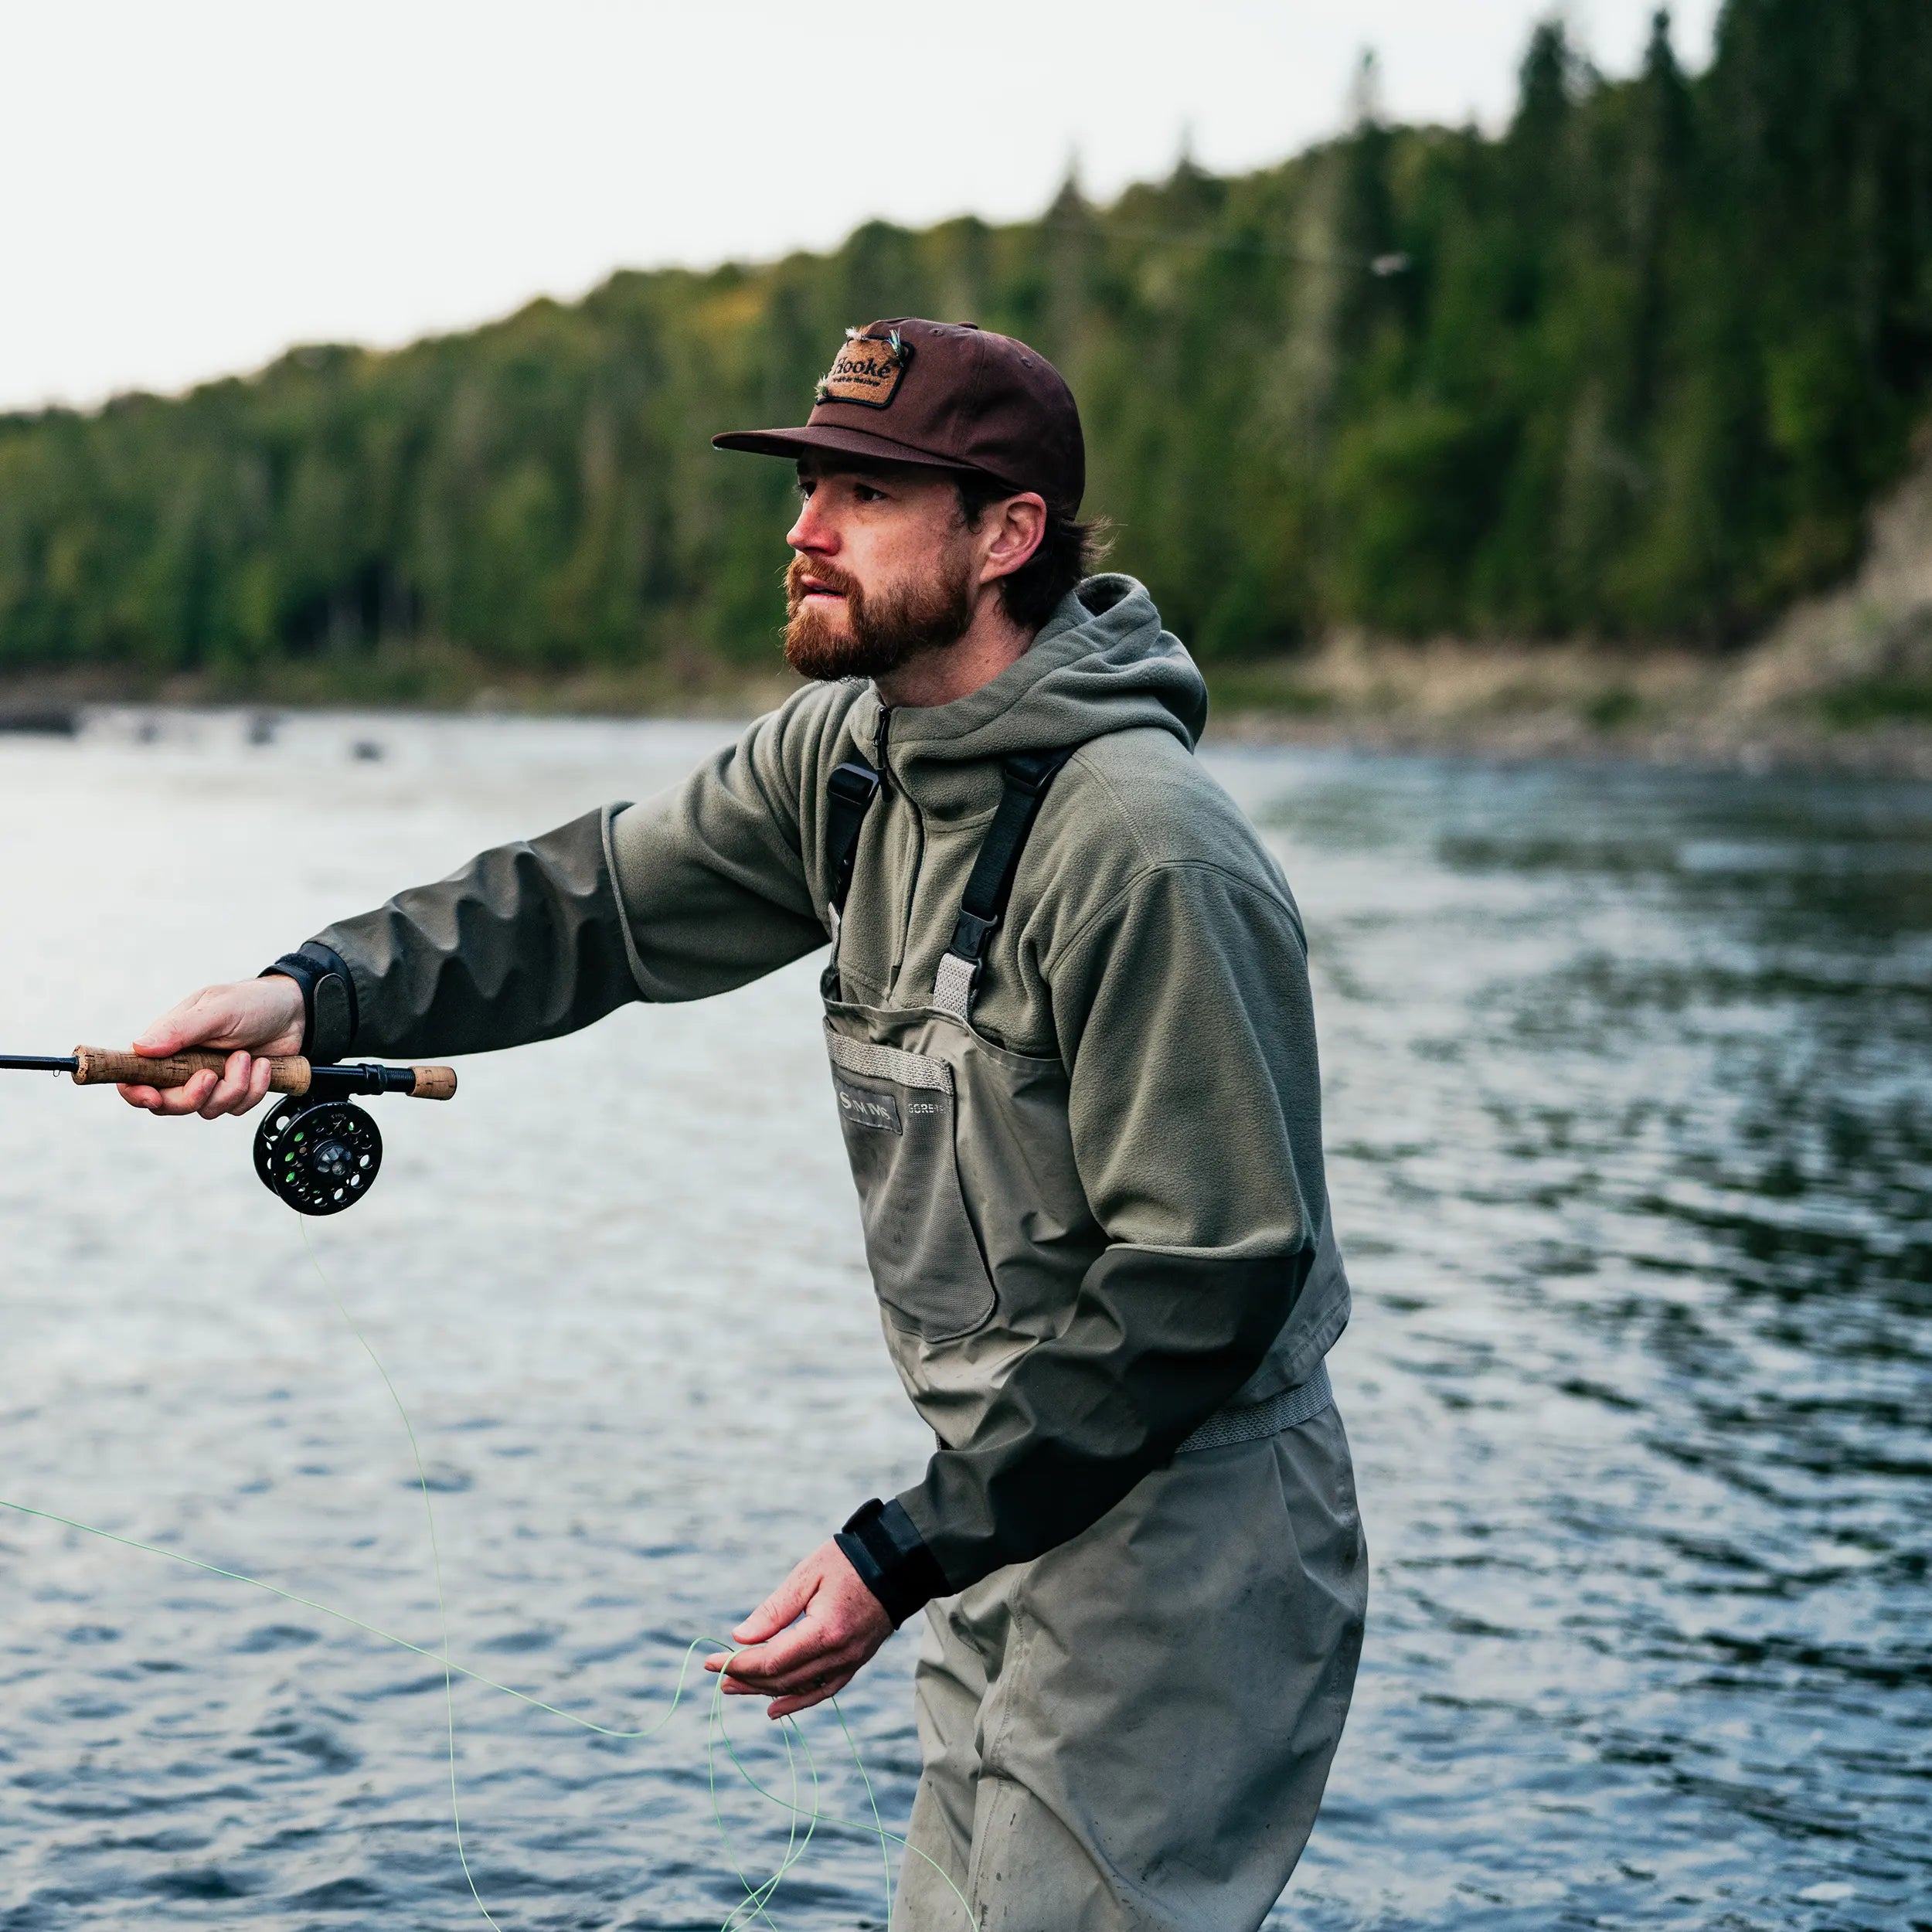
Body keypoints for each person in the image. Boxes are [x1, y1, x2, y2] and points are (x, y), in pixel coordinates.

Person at [121, 318, 1368, 1930]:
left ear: (1006, 535)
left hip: (1181, 1546)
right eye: (805, 486)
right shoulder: (845, 762)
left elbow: (1205, 1278)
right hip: (1003, 1508)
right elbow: (581, 904)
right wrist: (311, 997)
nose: (803, 527)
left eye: (863, 491)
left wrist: (896, 1547)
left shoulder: (1145, 851)